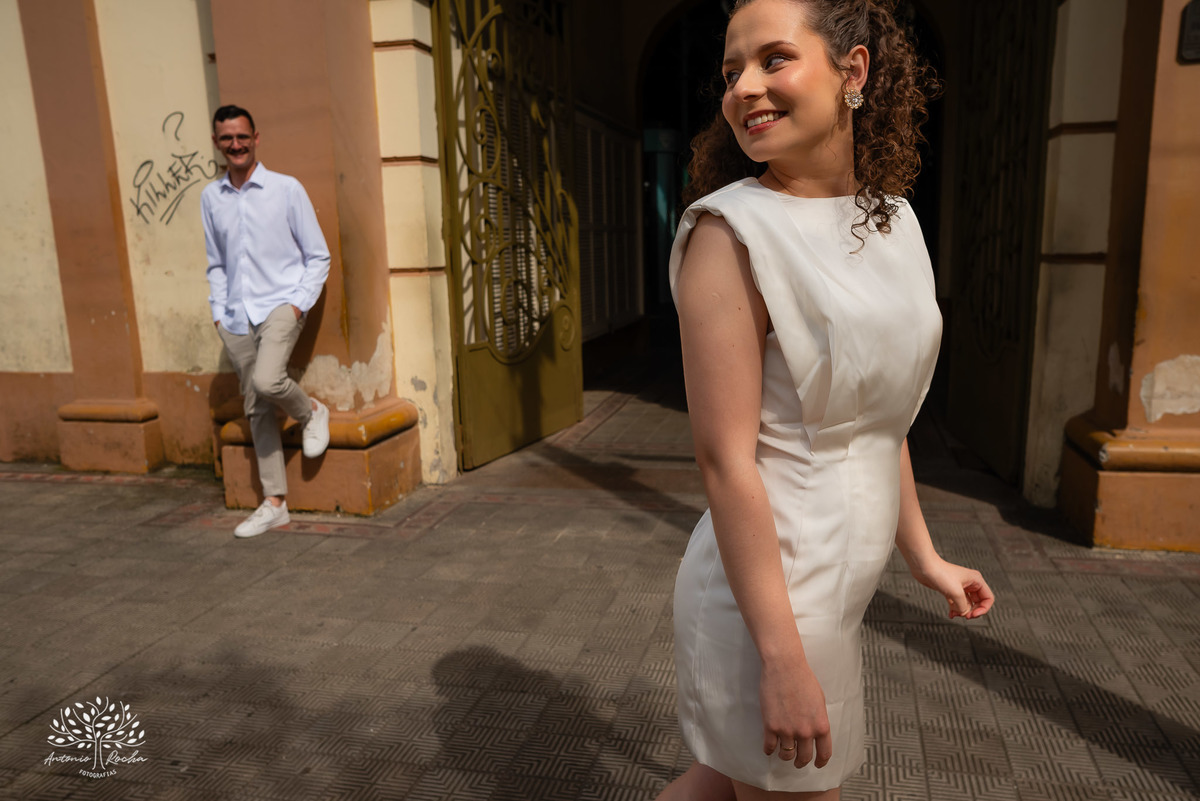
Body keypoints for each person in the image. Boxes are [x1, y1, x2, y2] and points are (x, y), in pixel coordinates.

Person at [657, 1, 994, 799]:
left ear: (854, 70)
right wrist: (780, 656)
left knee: (717, 786)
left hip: (837, 589)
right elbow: (725, 461)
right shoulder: (729, 234)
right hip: (773, 599)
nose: (744, 87)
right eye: (731, 71)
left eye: (773, 59)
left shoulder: (895, 222)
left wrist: (924, 556)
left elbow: (877, 415)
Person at [202, 104, 332, 539]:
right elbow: (216, 262)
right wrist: (218, 313)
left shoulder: (286, 189)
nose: (235, 144)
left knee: (268, 380)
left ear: (256, 138)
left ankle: (311, 411)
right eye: (226, 138)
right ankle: (275, 503)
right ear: (216, 143)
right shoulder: (211, 197)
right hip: (235, 313)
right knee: (256, 405)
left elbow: (318, 255)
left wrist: (297, 305)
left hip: (280, 303)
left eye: (242, 136)